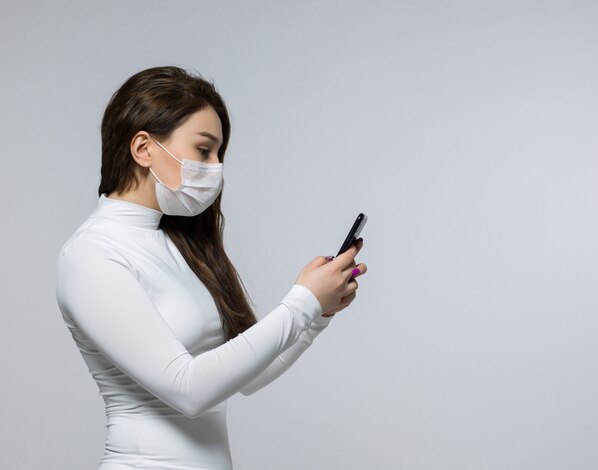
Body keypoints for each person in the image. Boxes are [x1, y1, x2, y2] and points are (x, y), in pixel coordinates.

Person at [55, 65, 367, 470]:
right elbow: (189, 389)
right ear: (143, 148)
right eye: (204, 150)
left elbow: (246, 375)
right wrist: (302, 303)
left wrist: (317, 315)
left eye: (219, 153)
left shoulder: (179, 244)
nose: (216, 167)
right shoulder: (91, 255)